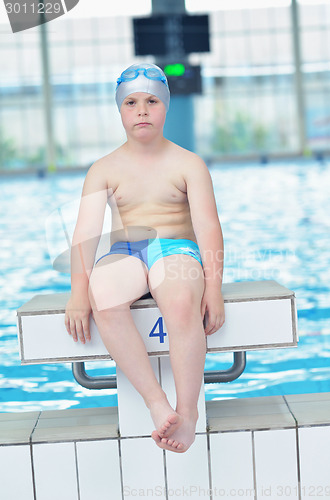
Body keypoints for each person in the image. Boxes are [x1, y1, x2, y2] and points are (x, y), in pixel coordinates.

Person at [65, 63, 225, 453]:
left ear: (165, 107)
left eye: (152, 101)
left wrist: (214, 288)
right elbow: (84, 235)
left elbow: (208, 228)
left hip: (176, 248)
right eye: (132, 102)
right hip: (128, 251)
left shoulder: (188, 164)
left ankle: (187, 413)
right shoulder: (103, 169)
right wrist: (77, 292)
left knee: (180, 297)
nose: (141, 110)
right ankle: (157, 404)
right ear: (120, 110)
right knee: (104, 294)